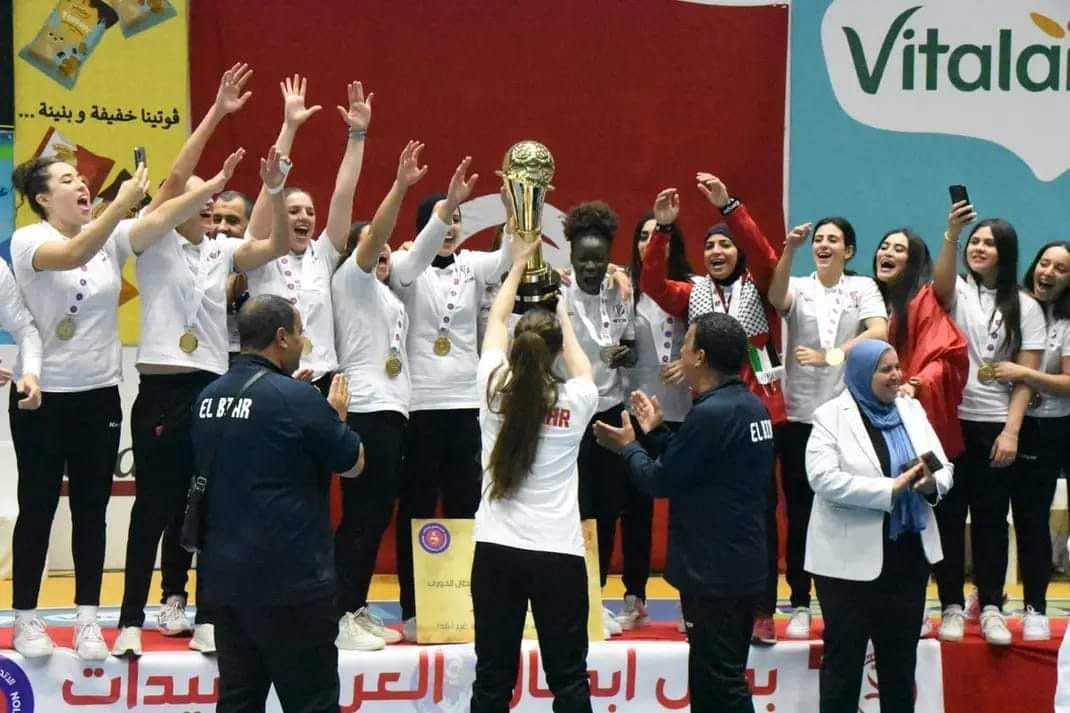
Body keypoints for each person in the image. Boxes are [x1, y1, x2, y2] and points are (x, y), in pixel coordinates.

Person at [112, 136, 292, 658]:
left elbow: (276, 244)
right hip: (162, 390)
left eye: (213, 201)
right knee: (151, 509)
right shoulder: (149, 241)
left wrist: (274, 189)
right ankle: (129, 618)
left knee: (213, 509)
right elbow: (170, 188)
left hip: (214, 392)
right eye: (200, 199)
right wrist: (208, 156)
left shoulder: (222, 250)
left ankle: (208, 616)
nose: (210, 206)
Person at [332, 144, 476, 650]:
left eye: (390, 251)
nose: (386, 253)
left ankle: (354, 607)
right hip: (367, 412)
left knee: (375, 520)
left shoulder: (393, 292)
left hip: (394, 416)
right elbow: (374, 239)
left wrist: (447, 206)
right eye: (376, 248)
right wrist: (400, 186)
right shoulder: (351, 280)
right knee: (362, 519)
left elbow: (419, 252)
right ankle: (340, 616)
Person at [192, 294, 364, 713]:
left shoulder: (208, 396)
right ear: (282, 337)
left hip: (226, 584)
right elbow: (353, 463)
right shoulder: (297, 399)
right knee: (312, 702)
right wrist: (335, 418)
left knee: (237, 700)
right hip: (293, 587)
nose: (305, 341)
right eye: (301, 332)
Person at [594, 312, 773, 713]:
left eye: (686, 345)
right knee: (714, 680)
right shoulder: (749, 407)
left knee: (722, 684)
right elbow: (701, 464)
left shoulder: (711, 414)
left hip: (714, 574)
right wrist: (656, 432)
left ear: (700, 356)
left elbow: (660, 481)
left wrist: (629, 447)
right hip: (741, 566)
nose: (680, 352)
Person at [641, 176, 787, 644]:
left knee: (758, 514)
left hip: (759, 412)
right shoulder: (692, 292)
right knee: (705, 510)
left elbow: (765, 252)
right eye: (711, 247)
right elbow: (650, 283)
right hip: (707, 415)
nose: (718, 251)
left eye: (726, 244)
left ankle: (764, 609)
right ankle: (700, 607)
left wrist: (729, 206)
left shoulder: (760, 284)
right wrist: (662, 231)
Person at [469, 235, 598, 713]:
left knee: (492, 678)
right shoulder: (578, 400)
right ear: (556, 348)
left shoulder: (491, 387)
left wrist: (518, 267)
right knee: (568, 679)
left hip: (496, 552)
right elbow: (579, 362)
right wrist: (562, 309)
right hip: (558, 557)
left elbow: (498, 320)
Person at [391, 167, 514, 643]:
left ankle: (463, 604)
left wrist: (510, 207)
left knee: (466, 509)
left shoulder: (472, 265)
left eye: (459, 219)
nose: (453, 227)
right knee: (417, 509)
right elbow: (415, 256)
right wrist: (441, 215)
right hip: (419, 407)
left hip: (467, 408)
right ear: (425, 227)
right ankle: (412, 606)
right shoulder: (408, 266)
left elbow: (508, 256)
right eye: (444, 219)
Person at [805, 339, 953, 713]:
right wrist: (890, 489)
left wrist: (931, 483)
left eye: (897, 367)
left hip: (907, 558)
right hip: (846, 566)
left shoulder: (912, 409)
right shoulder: (829, 416)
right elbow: (822, 479)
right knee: (843, 664)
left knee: (901, 666)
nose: (896, 376)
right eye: (885, 369)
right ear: (860, 373)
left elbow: (943, 466)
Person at [767, 217, 888, 639]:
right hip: (799, 417)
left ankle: (846, 600)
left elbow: (878, 331)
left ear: (848, 251)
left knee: (847, 510)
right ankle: (800, 601)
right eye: (818, 239)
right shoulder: (800, 285)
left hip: (848, 416)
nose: (824, 244)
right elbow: (775, 295)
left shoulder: (862, 288)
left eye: (832, 240)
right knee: (800, 514)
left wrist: (833, 356)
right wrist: (789, 250)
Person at [931, 206, 1045, 645]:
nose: (979, 248)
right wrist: (953, 234)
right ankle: (951, 606)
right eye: (975, 242)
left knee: (992, 519)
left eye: (988, 243)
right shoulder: (956, 289)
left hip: (995, 425)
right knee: (948, 518)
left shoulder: (1027, 306)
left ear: (1006, 252)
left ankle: (993, 605)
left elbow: (1024, 377)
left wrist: (1012, 431)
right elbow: (939, 289)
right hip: (950, 423)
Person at [244, 75, 371, 392]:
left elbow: (343, 194)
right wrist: (289, 127)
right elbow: (269, 187)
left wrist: (357, 134)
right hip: (273, 380)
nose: (304, 217)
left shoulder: (323, 254)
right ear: (277, 217)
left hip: (323, 380)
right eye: (294, 210)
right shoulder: (261, 253)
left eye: (310, 212)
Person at [560, 201, 636, 638]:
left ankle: (598, 597)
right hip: (569, 415)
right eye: (582, 259)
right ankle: (575, 597)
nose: (590, 267)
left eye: (599, 259)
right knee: (575, 509)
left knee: (606, 511)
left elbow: (628, 344)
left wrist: (629, 353)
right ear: (569, 256)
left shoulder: (619, 291)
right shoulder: (557, 291)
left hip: (609, 411)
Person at [614, 210, 692, 633]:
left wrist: (687, 360)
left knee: (685, 513)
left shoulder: (693, 290)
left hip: (682, 415)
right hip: (635, 412)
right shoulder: (622, 287)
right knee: (635, 512)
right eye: (641, 236)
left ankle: (688, 600)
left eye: (655, 236)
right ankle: (634, 597)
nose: (647, 243)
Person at [988, 240, 1070, 641]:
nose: (1049, 273)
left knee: (1032, 518)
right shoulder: (1011, 305)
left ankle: (1036, 605)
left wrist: (1024, 374)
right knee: (990, 515)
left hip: (1048, 429)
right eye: (1045, 263)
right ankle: (989, 600)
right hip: (997, 422)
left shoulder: (1067, 322)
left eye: (1061, 269)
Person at [872, 229, 968, 459]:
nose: (888, 253)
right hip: (874, 411)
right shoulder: (869, 298)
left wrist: (917, 384)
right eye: (884, 246)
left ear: (913, 262)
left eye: (899, 249)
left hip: (910, 409)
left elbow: (945, 357)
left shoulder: (923, 301)